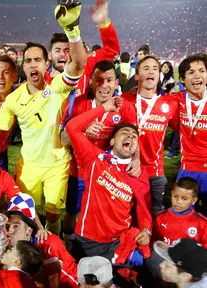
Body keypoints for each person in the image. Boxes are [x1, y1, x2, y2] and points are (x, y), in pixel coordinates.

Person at [0, 0, 87, 235]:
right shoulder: (14, 99)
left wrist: (73, 30)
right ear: (23, 66)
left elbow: (78, 64)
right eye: (28, 61)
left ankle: (51, 249)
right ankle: (25, 251)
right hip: (28, 165)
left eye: (37, 60)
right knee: (22, 213)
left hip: (57, 164)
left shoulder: (58, 86)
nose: (32, 64)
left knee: (52, 213)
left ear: (46, 63)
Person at [60, 60, 138, 250]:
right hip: (78, 171)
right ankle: (70, 243)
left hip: (106, 174)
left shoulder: (125, 107)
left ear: (117, 82)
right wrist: (84, 130)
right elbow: (63, 138)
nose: (104, 86)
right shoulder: (78, 104)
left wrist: (136, 159)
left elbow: (133, 136)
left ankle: (102, 247)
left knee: (101, 215)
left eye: (109, 80)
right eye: (99, 80)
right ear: (91, 82)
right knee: (71, 211)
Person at [66, 97, 152, 261]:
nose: (130, 137)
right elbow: (72, 127)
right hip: (87, 241)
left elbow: (143, 208)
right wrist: (104, 108)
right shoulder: (94, 157)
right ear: (112, 141)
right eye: (124, 133)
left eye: (134, 136)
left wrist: (146, 230)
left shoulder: (138, 173)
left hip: (118, 243)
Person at [123, 56, 179, 216]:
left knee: (154, 214)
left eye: (155, 68)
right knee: (127, 213)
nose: (151, 71)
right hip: (128, 168)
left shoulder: (170, 103)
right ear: (137, 76)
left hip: (155, 171)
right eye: (146, 68)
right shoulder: (125, 100)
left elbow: (182, 129)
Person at [6, 193, 78, 288]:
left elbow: (53, 284)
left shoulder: (48, 245)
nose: (9, 231)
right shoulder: (7, 243)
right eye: (7, 226)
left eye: (16, 226)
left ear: (29, 231)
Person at [146, 177, 207, 282]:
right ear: (171, 193)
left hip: (186, 271)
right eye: (175, 196)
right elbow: (153, 243)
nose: (178, 202)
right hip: (164, 267)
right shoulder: (160, 217)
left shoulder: (201, 223)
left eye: (184, 198)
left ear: (194, 200)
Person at [173, 53, 207, 216]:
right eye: (191, 72)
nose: (197, 75)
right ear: (182, 79)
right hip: (187, 168)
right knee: (183, 216)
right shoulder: (175, 100)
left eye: (201, 70)